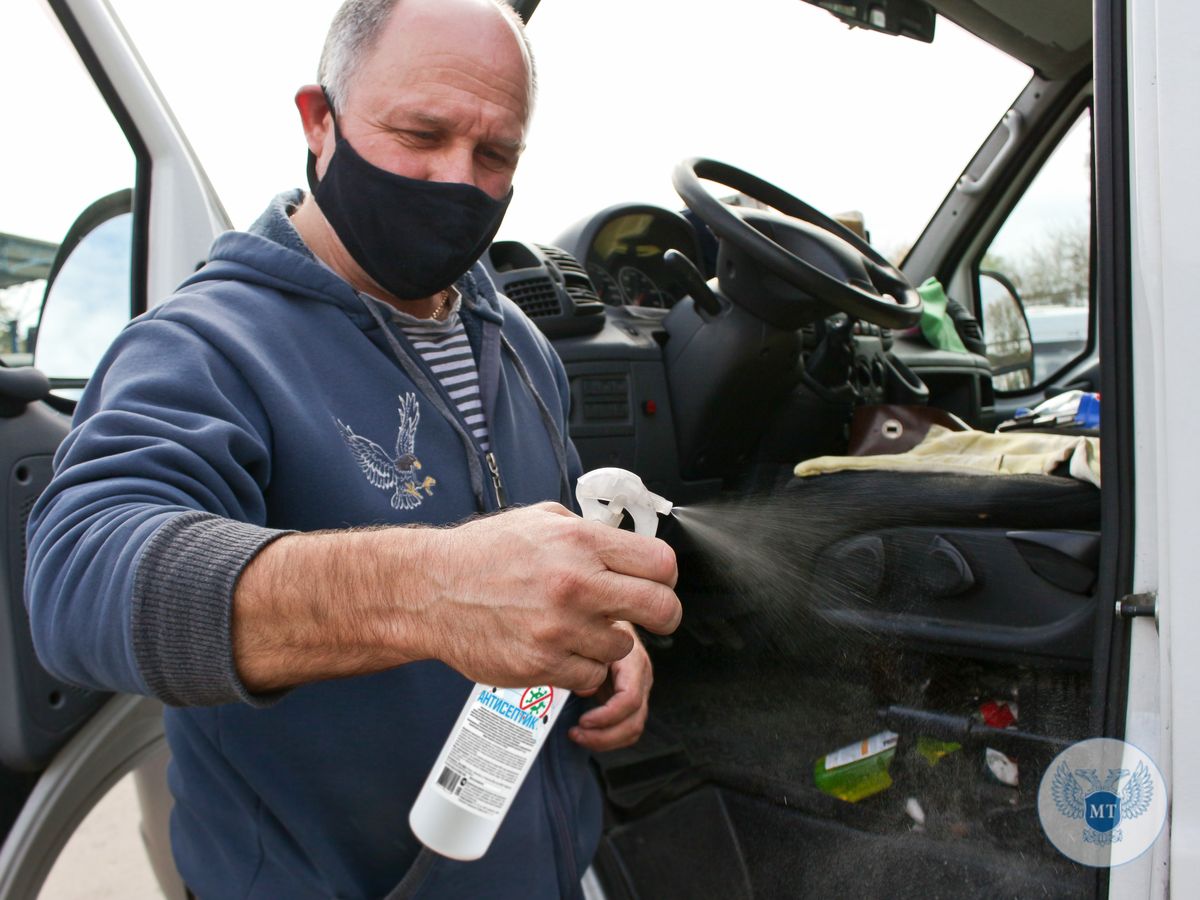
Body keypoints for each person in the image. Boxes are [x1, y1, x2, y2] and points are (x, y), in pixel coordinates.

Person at [23, 0, 681, 896]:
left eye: (495, 155)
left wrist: (602, 645)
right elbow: (77, 578)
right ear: (318, 121)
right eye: (420, 133)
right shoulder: (202, 344)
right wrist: (427, 591)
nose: (456, 180)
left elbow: (548, 554)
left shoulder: (516, 338)